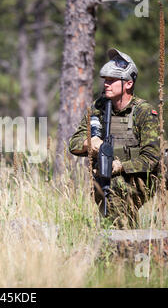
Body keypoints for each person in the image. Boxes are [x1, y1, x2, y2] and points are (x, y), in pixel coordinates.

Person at [69, 48, 161, 229]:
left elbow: (151, 159)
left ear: (128, 84)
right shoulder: (99, 108)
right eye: (105, 80)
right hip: (105, 177)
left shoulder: (144, 112)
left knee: (116, 188)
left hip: (139, 177)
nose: (106, 84)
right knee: (107, 192)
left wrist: (119, 167)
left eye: (112, 80)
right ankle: (121, 240)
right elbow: (73, 143)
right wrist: (90, 143)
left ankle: (123, 241)